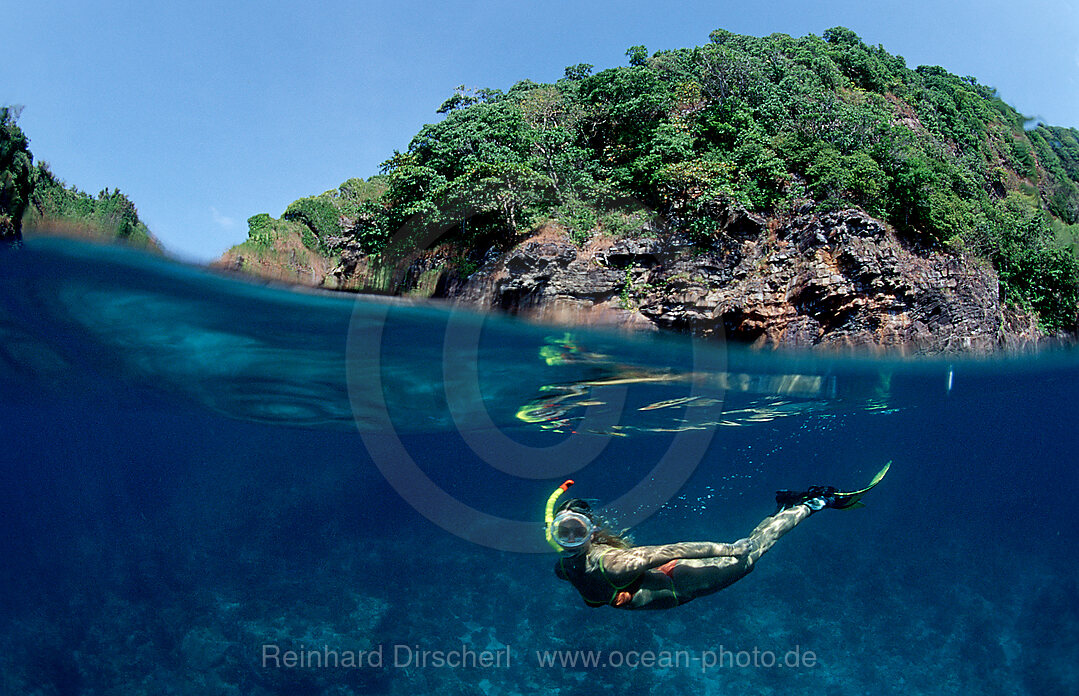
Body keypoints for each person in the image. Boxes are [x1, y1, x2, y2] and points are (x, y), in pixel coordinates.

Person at [546, 465, 889, 610]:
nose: (569, 539)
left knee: (750, 554)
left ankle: (815, 501)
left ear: (590, 533)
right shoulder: (565, 567)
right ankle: (788, 507)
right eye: (564, 533)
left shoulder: (615, 564)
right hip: (671, 585)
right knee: (749, 557)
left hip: (679, 581)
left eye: (576, 530)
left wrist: (729, 548)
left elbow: (671, 550)